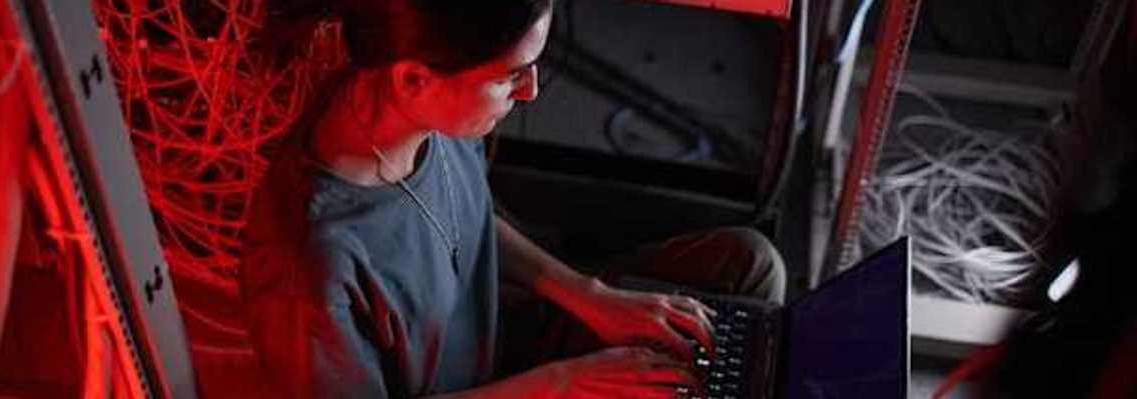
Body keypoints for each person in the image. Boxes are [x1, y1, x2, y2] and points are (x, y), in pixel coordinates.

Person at [239, 1, 786, 397]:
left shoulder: (408, 107)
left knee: (747, 264)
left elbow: (468, 221)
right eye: (510, 77)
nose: (531, 92)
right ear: (413, 80)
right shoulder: (308, 270)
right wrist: (566, 384)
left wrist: (588, 294)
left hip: (511, 344)